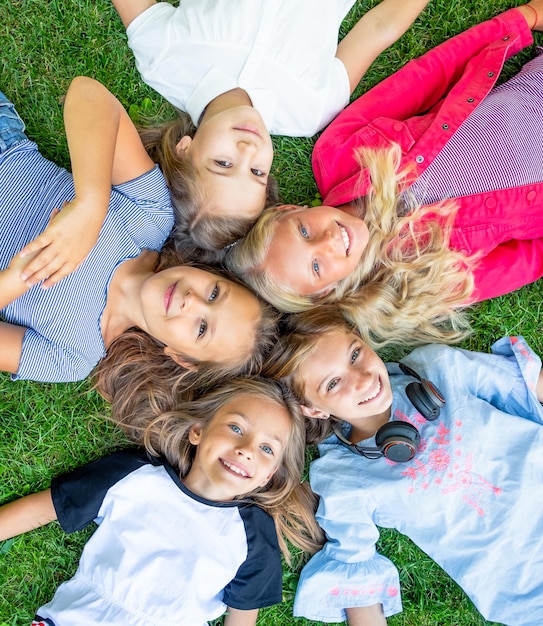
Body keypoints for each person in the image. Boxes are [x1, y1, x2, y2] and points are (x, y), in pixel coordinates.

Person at [226, 2, 543, 348]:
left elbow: (425, 78)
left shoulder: (338, 154)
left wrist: (524, 19)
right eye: (316, 267)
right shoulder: (419, 283)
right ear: (326, 293)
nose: (328, 241)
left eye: (304, 231)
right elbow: (525, 262)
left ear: (290, 210)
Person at [264, 306, 543, 625]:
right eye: (333, 384)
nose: (364, 378)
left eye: (355, 354)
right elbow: (356, 571)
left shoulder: (435, 368)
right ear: (312, 410)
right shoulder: (343, 475)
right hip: (526, 582)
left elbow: (522, 384)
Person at [0, 78, 278, 385]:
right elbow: (89, 95)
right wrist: (89, 209)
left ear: (180, 357)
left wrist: (19, 278)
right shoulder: (151, 217)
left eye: (201, 328)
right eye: (214, 293)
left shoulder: (73, 358)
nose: (192, 302)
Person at [110, 0, 432, 252]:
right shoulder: (309, 110)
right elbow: (378, 28)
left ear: (184, 148)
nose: (249, 151)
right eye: (257, 173)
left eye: (223, 164)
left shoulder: (164, 61)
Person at [0, 378, 324, 625]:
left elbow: (242, 617)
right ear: (198, 430)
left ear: (269, 475)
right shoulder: (135, 477)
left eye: (268, 449)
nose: (247, 449)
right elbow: (42, 509)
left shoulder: (254, 535)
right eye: (236, 427)